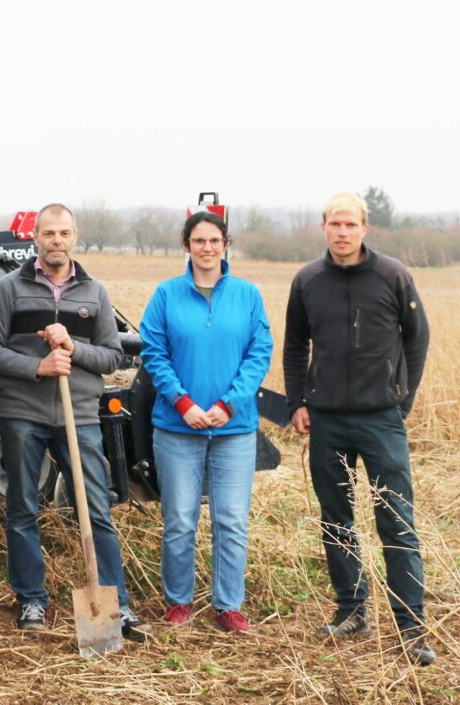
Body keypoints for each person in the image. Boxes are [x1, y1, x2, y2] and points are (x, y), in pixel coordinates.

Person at [0, 203, 151, 642]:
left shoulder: (94, 292)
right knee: (22, 509)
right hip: (23, 415)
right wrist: (38, 368)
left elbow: (113, 355)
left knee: (96, 510)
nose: (56, 240)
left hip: (80, 416)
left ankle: (116, 606)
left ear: (75, 236)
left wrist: (72, 346)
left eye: (64, 233)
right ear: (35, 237)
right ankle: (32, 598)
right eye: (48, 233)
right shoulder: (11, 290)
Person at [284, 192, 435, 665]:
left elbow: (418, 337)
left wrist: (401, 400)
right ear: (323, 227)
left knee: (396, 520)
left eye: (351, 224)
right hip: (326, 419)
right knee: (336, 520)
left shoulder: (392, 275)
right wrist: (296, 403)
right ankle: (352, 610)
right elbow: (294, 345)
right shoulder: (307, 280)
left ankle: (411, 627)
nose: (342, 232)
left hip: (380, 420)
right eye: (335, 224)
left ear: (364, 228)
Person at [139, 211, 273, 634]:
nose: (207, 248)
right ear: (187, 246)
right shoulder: (166, 295)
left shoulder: (248, 296)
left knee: (231, 519)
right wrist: (183, 404)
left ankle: (227, 605)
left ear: (225, 244)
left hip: (234, 430)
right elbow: (153, 353)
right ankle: (178, 602)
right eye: (199, 241)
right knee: (179, 519)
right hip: (179, 429)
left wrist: (229, 405)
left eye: (214, 240)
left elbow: (259, 353)